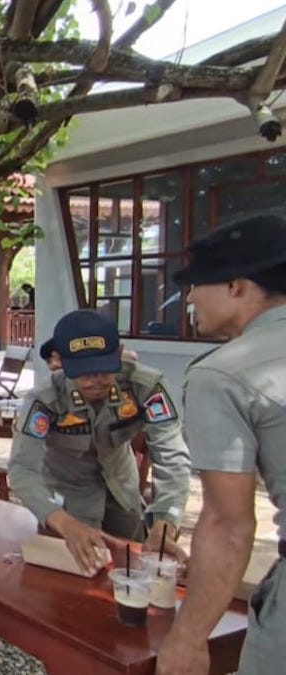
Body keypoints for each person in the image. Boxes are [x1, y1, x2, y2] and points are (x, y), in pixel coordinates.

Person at [156, 214, 286, 675]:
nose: (188, 297)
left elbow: (228, 524)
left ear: (236, 286)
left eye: (195, 283)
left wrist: (188, 639)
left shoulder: (223, 373)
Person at [8, 309, 191, 575]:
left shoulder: (145, 387)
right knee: (65, 589)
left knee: (132, 574)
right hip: (65, 502)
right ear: (59, 361)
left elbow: (173, 458)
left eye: (105, 369)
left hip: (122, 494)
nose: (96, 380)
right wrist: (63, 523)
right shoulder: (45, 399)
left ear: (120, 354)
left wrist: (166, 522)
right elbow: (22, 470)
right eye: (83, 372)